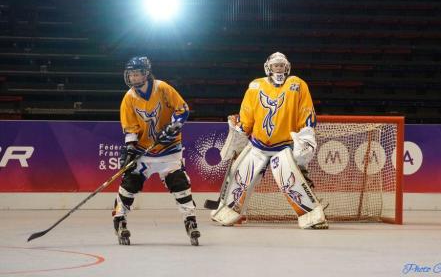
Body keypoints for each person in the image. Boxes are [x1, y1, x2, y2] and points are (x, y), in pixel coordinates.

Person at [211, 52, 328, 229]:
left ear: (287, 67)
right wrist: (240, 133)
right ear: (268, 67)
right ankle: (226, 211)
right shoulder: (255, 86)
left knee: (295, 182)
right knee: (239, 177)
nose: (278, 68)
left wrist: (306, 134)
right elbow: (247, 113)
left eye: (281, 65)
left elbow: (306, 110)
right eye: (275, 65)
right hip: (257, 145)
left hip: (284, 147)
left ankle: (312, 215)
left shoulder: (297, 84)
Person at [112, 56, 201, 246]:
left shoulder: (162, 88)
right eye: (131, 74)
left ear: (146, 73)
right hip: (145, 149)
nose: (134, 78)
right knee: (130, 182)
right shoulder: (129, 97)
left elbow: (182, 109)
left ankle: (190, 220)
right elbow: (130, 127)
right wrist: (130, 148)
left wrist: (173, 126)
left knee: (178, 182)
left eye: (137, 73)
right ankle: (119, 218)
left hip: (169, 148)